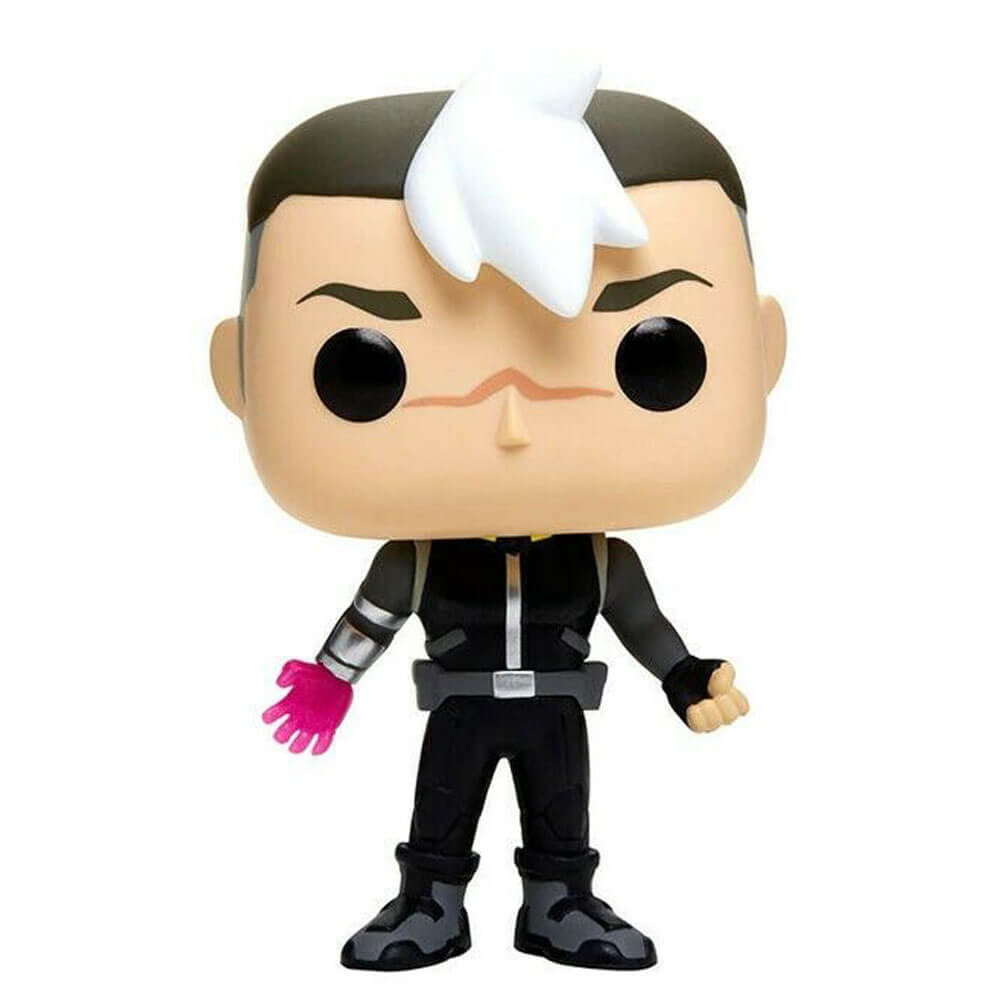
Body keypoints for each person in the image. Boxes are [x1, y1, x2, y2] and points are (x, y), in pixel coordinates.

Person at [210, 60, 786, 971]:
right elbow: (373, 615)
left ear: (764, 352)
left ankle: (560, 903)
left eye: (655, 354)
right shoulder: (417, 557)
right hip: (459, 703)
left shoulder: (600, 562)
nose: (512, 424)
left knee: (563, 809)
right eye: (363, 367)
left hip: (558, 705)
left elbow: (646, 628)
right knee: (441, 806)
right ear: (239, 374)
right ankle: (429, 903)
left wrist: (685, 677)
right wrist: (331, 677)